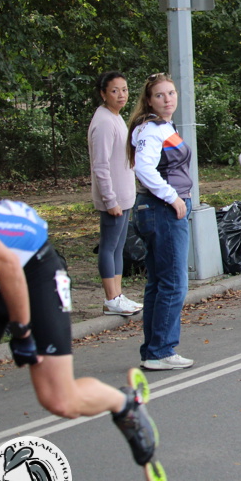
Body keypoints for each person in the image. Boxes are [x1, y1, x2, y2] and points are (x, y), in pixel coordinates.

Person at [0, 191, 159, 481]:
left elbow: (7, 265)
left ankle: (124, 404)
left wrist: (22, 333)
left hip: (28, 268)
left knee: (59, 399)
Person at [128, 73, 194, 371]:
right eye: (160, 95)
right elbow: (144, 168)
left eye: (171, 93)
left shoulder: (162, 126)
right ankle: (161, 351)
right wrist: (173, 197)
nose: (168, 99)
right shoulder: (151, 129)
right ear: (149, 100)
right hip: (162, 210)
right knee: (173, 283)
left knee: (158, 282)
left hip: (158, 209)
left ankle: (153, 350)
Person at [87, 71, 141, 317]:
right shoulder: (104, 122)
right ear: (103, 93)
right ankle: (111, 299)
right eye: (114, 91)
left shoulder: (116, 117)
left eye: (125, 89)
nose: (121, 95)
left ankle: (118, 296)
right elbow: (100, 166)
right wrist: (110, 200)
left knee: (119, 247)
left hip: (124, 195)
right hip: (114, 199)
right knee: (108, 247)